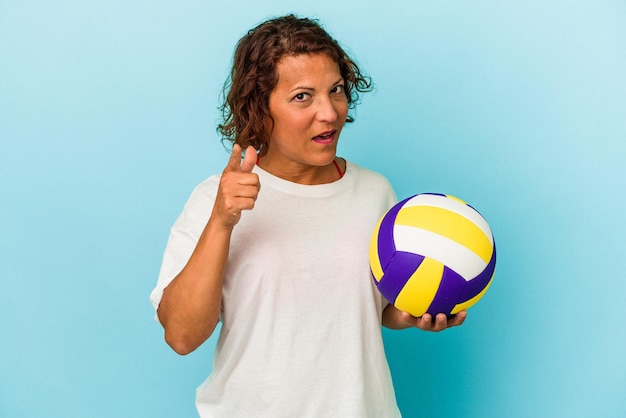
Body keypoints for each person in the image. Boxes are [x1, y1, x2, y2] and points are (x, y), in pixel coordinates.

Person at [150, 14, 466, 417]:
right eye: (303, 96)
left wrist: (408, 315)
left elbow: (372, 308)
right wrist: (221, 222)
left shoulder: (375, 193)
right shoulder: (215, 199)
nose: (330, 113)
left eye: (335, 90)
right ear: (260, 108)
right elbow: (181, 336)